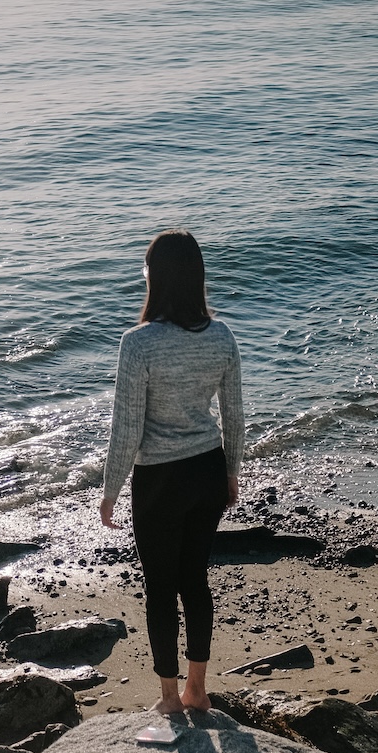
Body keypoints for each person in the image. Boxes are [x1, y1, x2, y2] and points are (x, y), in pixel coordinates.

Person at [100, 228, 244, 717]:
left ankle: (168, 698)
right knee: (195, 581)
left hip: (160, 480)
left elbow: (126, 427)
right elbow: (234, 416)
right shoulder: (222, 336)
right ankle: (197, 690)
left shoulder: (138, 343)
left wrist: (110, 490)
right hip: (206, 471)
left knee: (161, 588)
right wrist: (230, 472)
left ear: (154, 278)